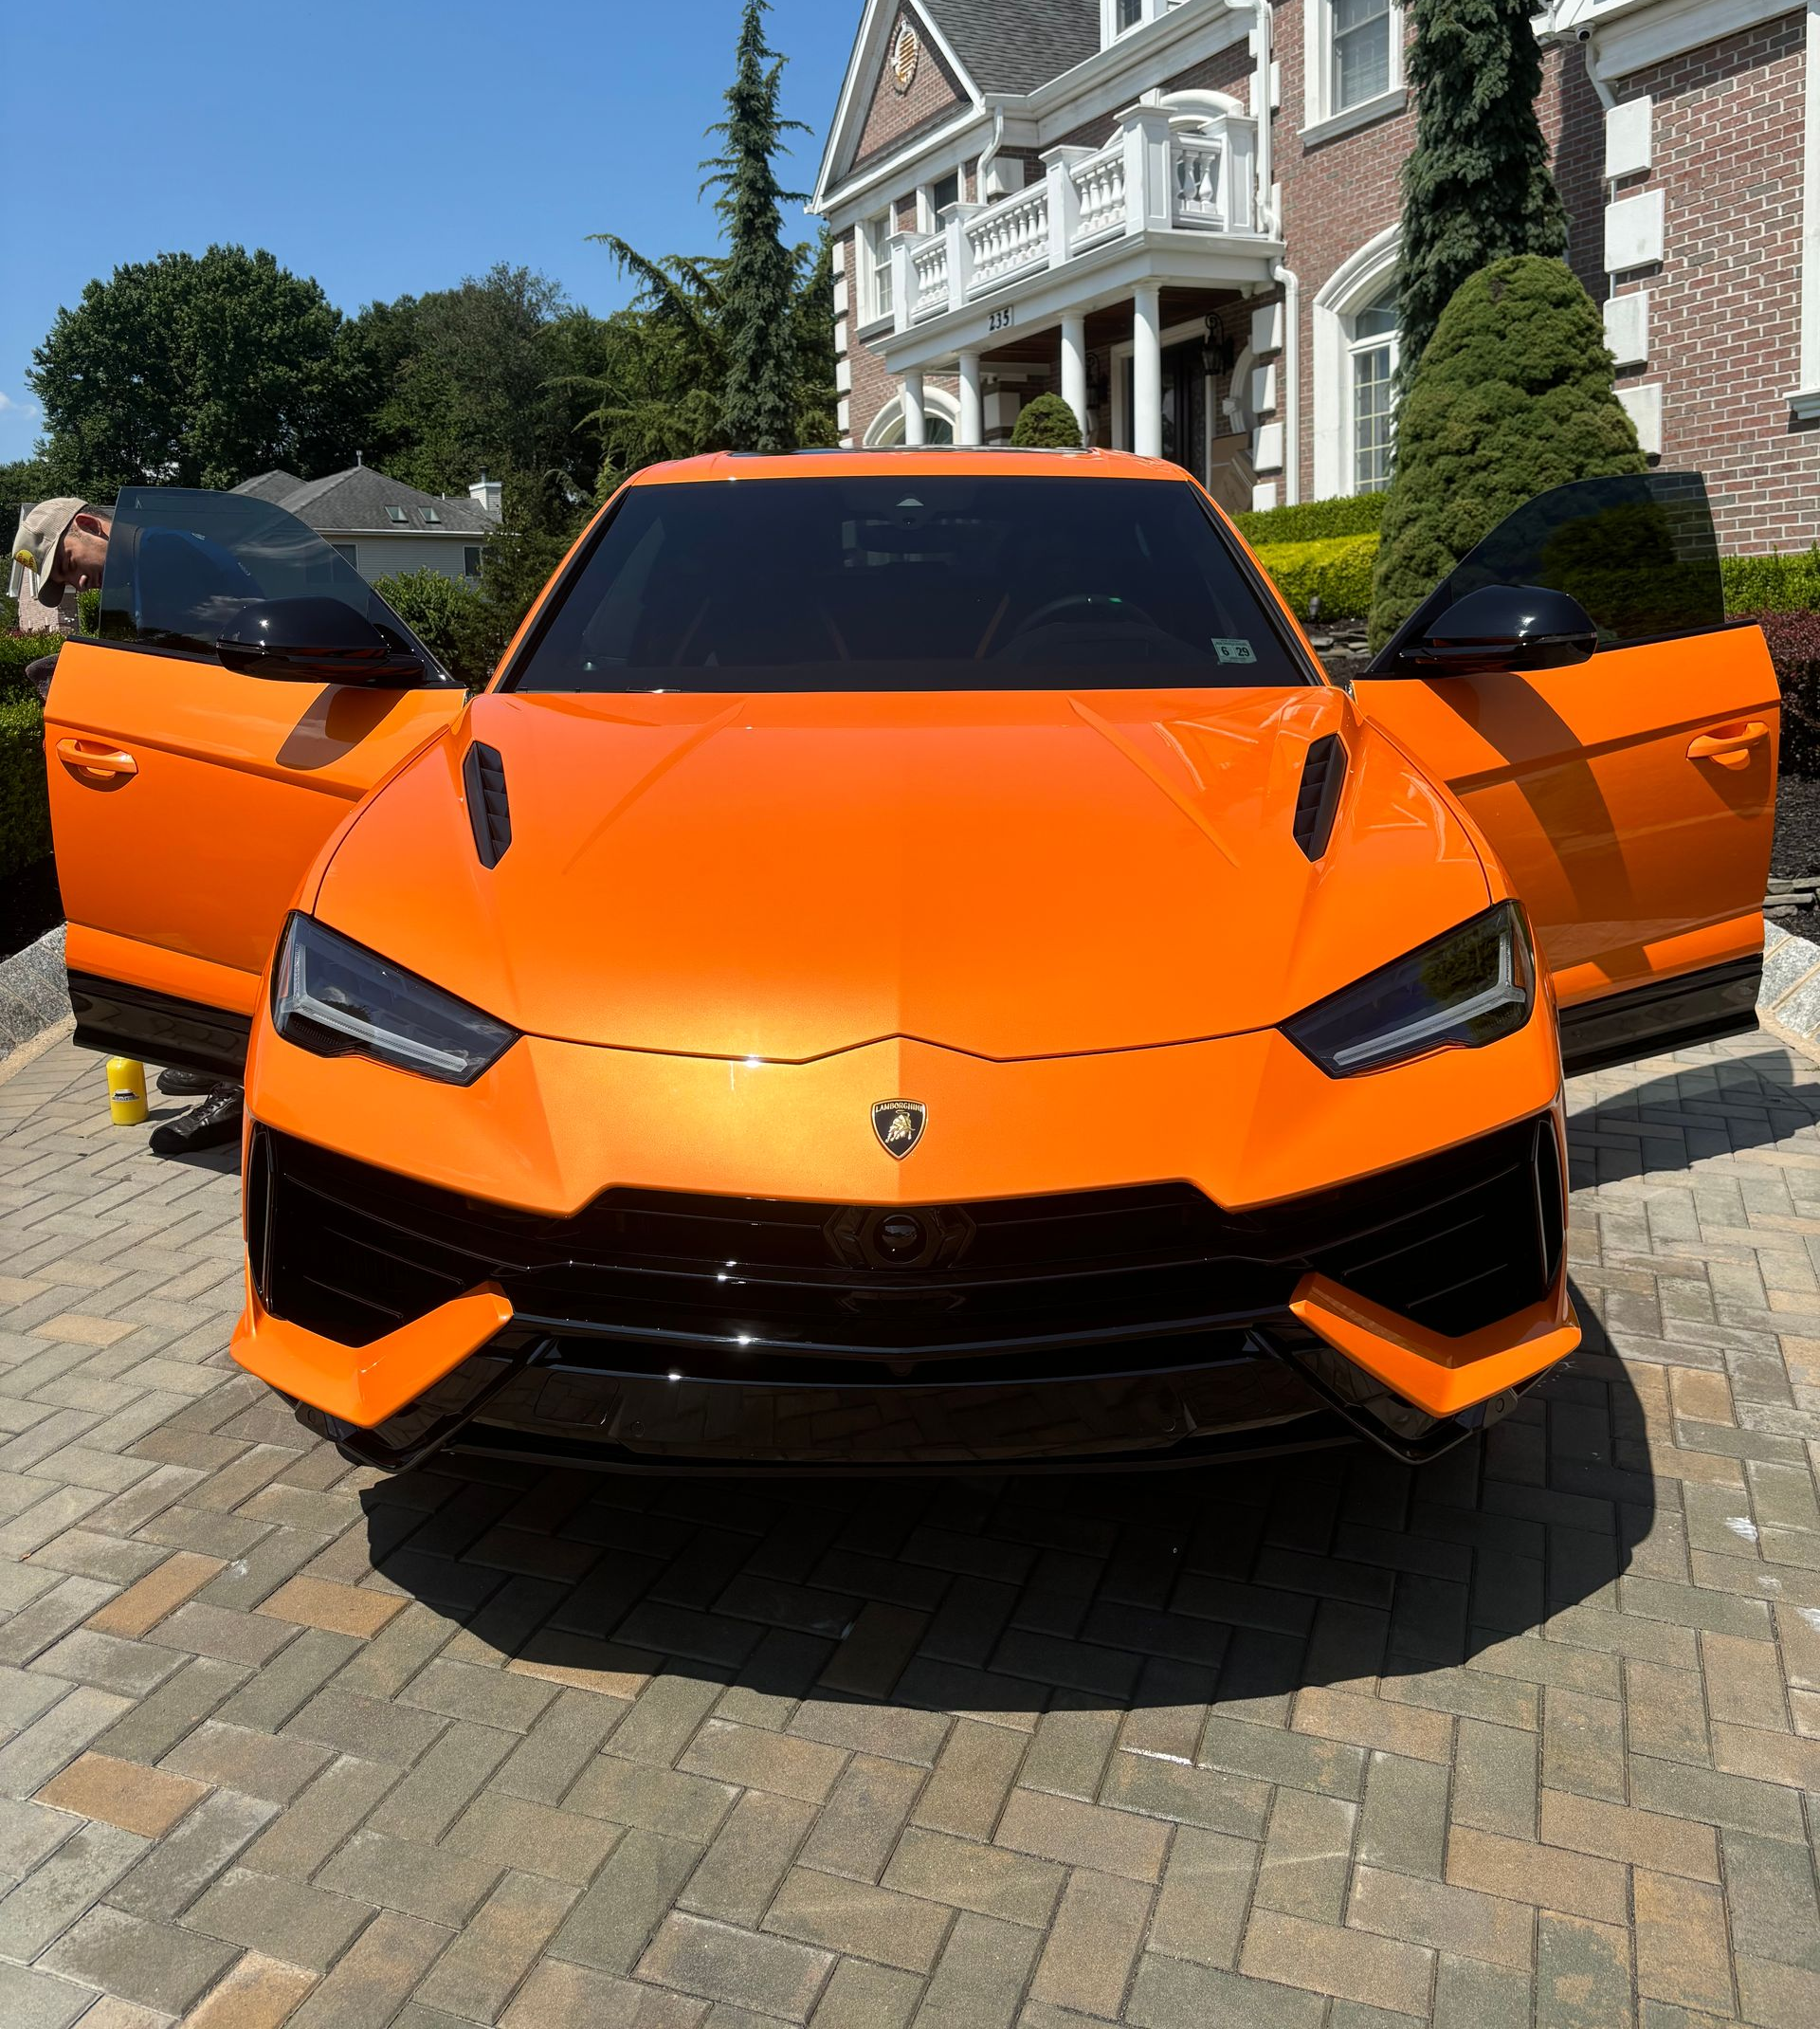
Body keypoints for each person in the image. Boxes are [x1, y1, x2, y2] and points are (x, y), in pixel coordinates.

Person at [11, 498, 246, 1157]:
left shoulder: (165, 557)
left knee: (217, 926)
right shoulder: (153, 565)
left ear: (88, 526)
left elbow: (203, 668)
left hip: (228, 768)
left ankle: (238, 1085)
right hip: (208, 762)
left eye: (70, 567)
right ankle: (212, 1053)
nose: (77, 585)